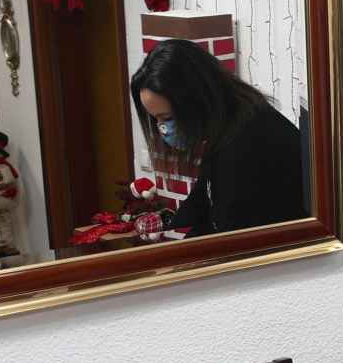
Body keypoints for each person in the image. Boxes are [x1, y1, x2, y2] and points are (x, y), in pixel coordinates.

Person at [130, 38, 304, 236]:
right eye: (157, 120)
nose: (163, 129)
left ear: (195, 99)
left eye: (167, 118)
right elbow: (205, 193)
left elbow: (229, 232)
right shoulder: (229, 123)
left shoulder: (244, 146)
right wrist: (169, 220)